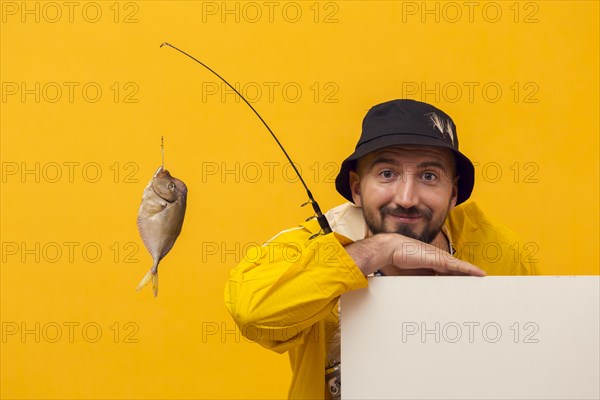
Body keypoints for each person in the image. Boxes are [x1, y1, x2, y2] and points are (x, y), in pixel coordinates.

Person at [224, 99, 539, 399]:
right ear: (358, 189)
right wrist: (376, 250)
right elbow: (254, 316)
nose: (406, 197)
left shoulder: (496, 249)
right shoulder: (311, 246)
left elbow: (532, 357)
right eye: (387, 174)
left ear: (453, 194)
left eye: (429, 176)